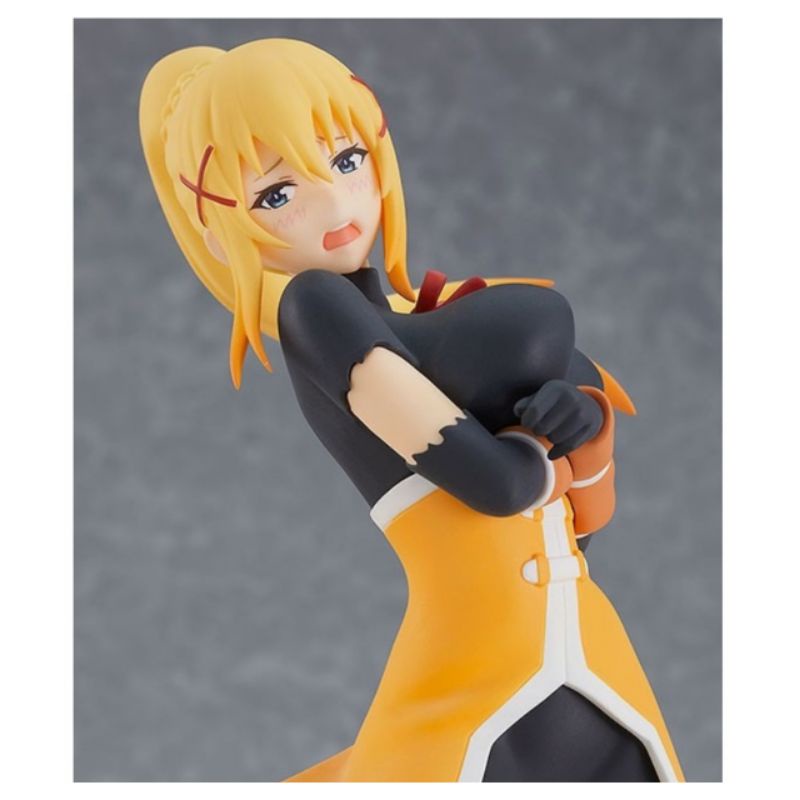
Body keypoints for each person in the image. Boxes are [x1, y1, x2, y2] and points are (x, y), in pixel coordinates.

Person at [140, 37, 684, 782]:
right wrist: (542, 445)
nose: (335, 202)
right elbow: (501, 485)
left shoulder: (429, 313)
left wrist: (581, 427)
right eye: (276, 194)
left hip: (592, 655)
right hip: (469, 670)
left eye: (345, 159)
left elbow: (584, 525)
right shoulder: (315, 312)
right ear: (216, 224)